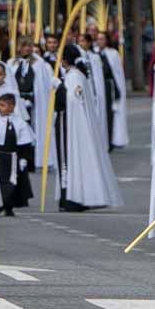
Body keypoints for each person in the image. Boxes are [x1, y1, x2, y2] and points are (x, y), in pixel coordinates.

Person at [53, 44, 122, 212]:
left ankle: (72, 197)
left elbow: (71, 101)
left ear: (64, 61)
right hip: (68, 123)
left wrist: (58, 88)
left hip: (69, 125)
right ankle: (70, 196)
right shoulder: (77, 76)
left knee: (68, 161)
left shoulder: (73, 77)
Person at [0, 93, 34, 216]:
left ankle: (9, 206)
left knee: (12, 183)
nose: (0, 108)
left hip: (12, 157)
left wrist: (24, 158)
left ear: (12, 106)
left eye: (4, 105)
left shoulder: (20, 123)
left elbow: (25, 143)